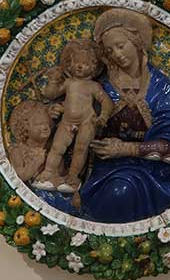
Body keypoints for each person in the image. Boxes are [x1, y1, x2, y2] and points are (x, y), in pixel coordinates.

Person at [75, 8, 170, 223]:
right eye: (109, 51)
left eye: (121, 46)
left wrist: (126, 149)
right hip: (107, 170)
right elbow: (82, 125)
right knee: (117, 190)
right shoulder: (102, 88)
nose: (117, 55)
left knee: (122, 190)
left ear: (137, 42)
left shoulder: (160, 87)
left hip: (153, 172)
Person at [35, 39, 113, 193]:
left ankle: (72, 177)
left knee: (81, 149)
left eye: (85, 63)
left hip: (86, 122)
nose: (79, 66)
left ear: (93, 67)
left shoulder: (93, 86)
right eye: (76, 62)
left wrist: (103, 115)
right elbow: (51, 94)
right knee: (57, 147)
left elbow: (107, 101)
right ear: (70, 64)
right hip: (66, 122)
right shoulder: (69, 83)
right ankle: (48, 173)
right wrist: (53, 79)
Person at [6, 100, 54, 183]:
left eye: (47, 123)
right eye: (39, 124)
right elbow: (21, 176)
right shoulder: (17, 151)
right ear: (25, 127)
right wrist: (36, 162)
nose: (45, 127)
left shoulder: (52, 149)